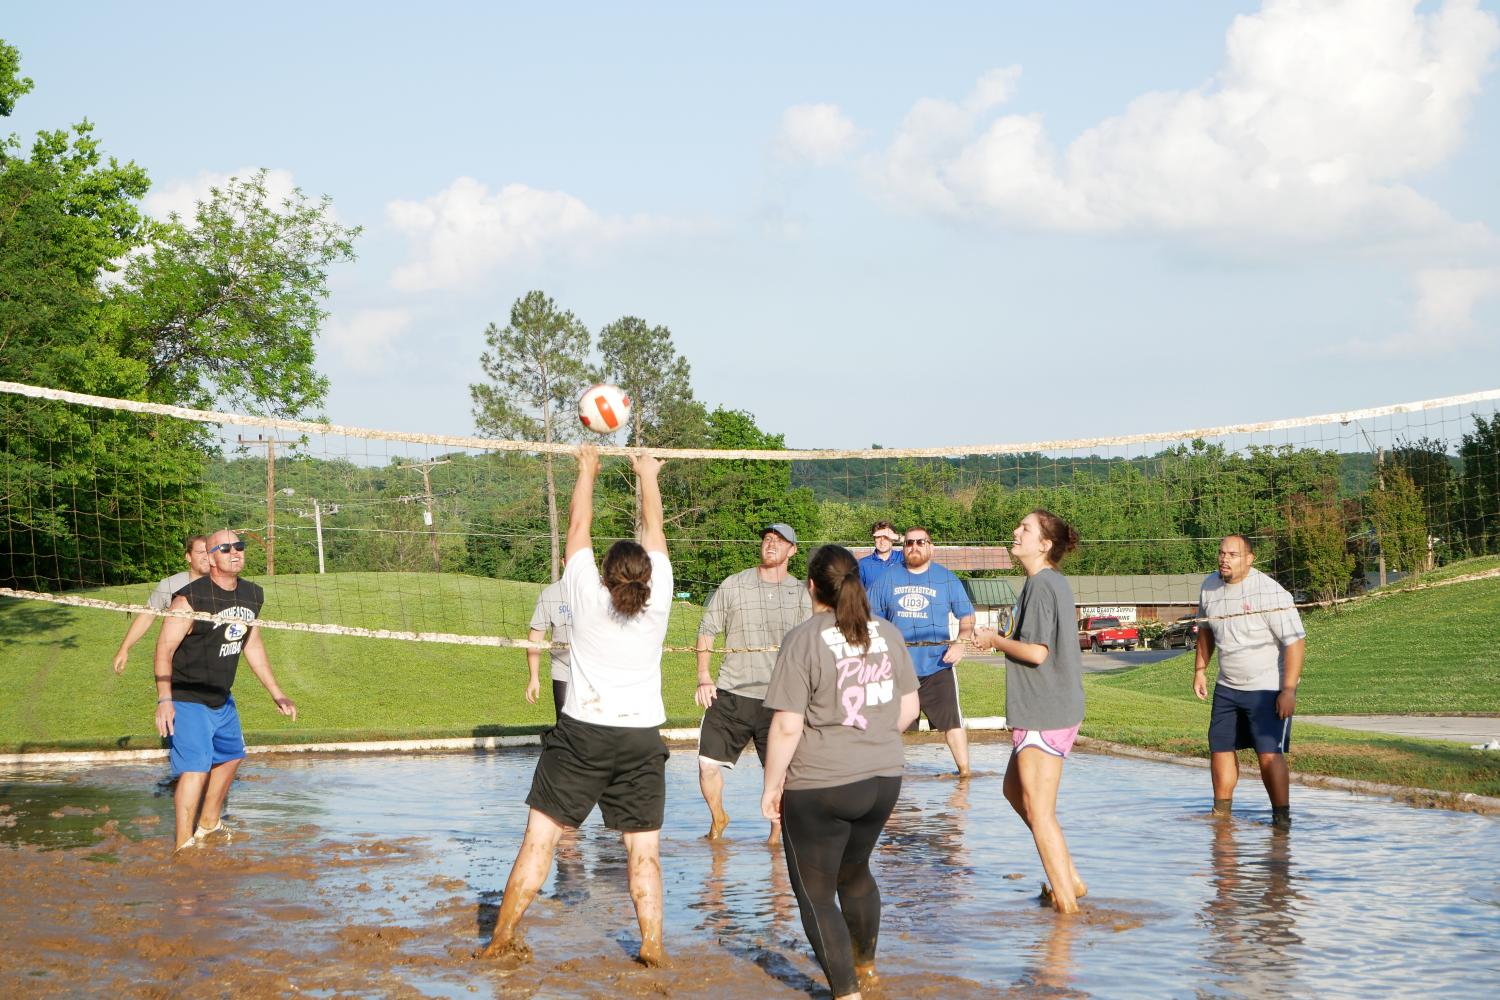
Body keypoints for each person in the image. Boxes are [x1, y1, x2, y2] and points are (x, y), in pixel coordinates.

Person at [480, 444, 672, 967]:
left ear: (604, 575)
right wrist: (646, 475)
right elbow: (655, 533)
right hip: (640, 740)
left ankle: (501, 939)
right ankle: (652, 947)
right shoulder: (659, 602)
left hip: (582, 734)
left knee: (539, 840)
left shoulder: (584, 595)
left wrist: (587, 469)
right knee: (644, 852)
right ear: (647, 577)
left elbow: (577, 529)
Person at [761, 544, 919, 1000]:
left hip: (821, 785)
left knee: (815, 893)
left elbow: (788, 725)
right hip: (883, 779)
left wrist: (772, 787)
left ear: (811, 586)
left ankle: (847, 992)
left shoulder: (803, 638)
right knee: (855, 874)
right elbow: (908, 707)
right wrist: (868, 739)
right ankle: (867, 968)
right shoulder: (887, 632)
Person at [152, 529, 298, 853]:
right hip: (188, 696)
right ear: (212, 557)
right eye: (226, 548)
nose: (236, 552)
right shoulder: (190, 598)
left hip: (221, 697)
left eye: (240, 546)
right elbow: (163, 649)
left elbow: (252, 643)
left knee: (232, 757)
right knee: (195, 769)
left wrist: (277, 692)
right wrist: (165, 699)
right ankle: (182, 846)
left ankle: (207, 825)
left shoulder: (252, 595)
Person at [971, 509, 1087, 913]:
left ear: (1045, 544)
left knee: (1040, 813)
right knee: (1013, 792)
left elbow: (1037, 653)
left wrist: (994, 640)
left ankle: (1067, 910)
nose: (1015, 532)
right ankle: (1069, 877)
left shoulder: (1041, 584)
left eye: (1026, 528)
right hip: (1045, 709)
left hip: (1045, 711)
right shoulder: (1045, 583)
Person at [695, 522, 811, 841]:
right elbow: (706, 630)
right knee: (707, 765)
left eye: (779, 540)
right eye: (767, 538)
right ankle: (718, 818)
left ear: (793, 550)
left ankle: (776, 840)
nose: (771, 544)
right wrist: (704, 677)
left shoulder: (801, 594)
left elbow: (813, 645)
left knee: (781, 777)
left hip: (778, 699)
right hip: (731, 693)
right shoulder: (734, 584)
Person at [1192, 534, 1306, 829]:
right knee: (1220, 749)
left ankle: (1281, 820)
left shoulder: (1270, 593)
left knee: (1268, 755)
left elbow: (1294, 643)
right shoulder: (1209, 587)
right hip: (1227, 687)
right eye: (1221, 553)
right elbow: (1205, 632)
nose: (1224, 559)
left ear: (1249, 559)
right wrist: (1200, 670)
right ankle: (1221, 815)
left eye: (1232, 554)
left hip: (1266, 688)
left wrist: (1289, 690)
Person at [868, 526, 975, 775]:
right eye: (909, 543)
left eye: (920, 542)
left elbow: (967, 618)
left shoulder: (946, 579)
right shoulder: (887, 579)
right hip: (896, 669)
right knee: (889, 726)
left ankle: (966, 775)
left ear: (931, 547)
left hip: (938, 666)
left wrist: (961, 642)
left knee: (953, 724)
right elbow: (869, 619)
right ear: (902, 547)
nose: (914, 547)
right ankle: (881, 775)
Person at [112, 535, 211, 674]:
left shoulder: (223, 584)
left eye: (209, 552)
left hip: (215, 670)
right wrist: (124, 648)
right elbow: (147, 616)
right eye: (201, 552)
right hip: (181, 669)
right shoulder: (169, 585)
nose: (207, 556)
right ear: (188, 557)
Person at [524, 573, 572, 723]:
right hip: (563, 668)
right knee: (565, 726)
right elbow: (535, 639)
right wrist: (533, 678)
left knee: (599, 729)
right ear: (564, 562)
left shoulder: (604, 588)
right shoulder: (550, 594)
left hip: (595, 670)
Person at [857, 521, 904, 592]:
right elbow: (856, 593)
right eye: (878, 537)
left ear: (893, 539)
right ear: (874, 540)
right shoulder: (863, 564)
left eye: (886, 537)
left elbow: (925, 546)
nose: (882, 541)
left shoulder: (903, 558)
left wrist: (898, 537)